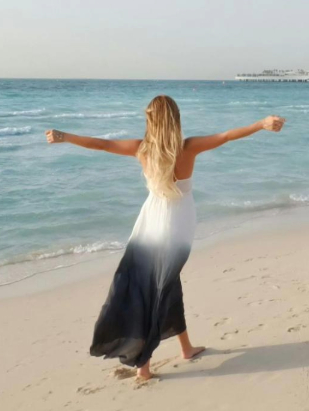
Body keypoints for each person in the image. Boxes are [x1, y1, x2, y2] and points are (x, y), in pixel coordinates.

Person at [46, 96, 285, 381]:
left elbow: (102, 144)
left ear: (151, 121)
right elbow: (226, 136)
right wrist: (261, 124)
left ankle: (184, 348)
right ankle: (145, 366)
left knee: (160, 286)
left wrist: (64, 136)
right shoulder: (189, 147)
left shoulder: (141, 149)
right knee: (160, 289)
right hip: (177, 230)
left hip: (150, 225)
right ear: (175, 119)